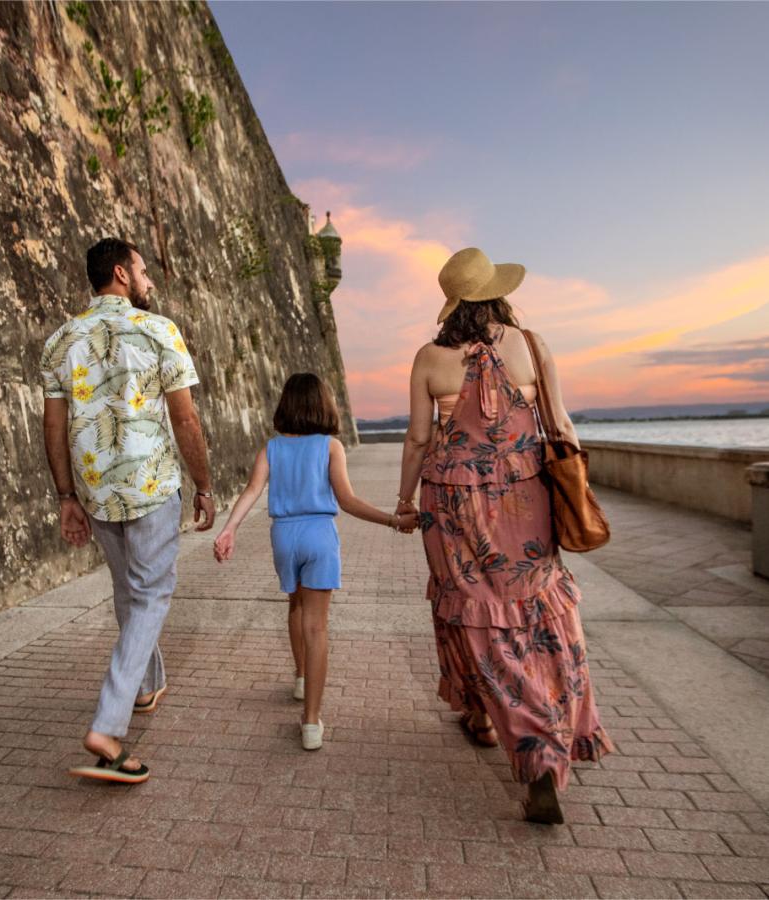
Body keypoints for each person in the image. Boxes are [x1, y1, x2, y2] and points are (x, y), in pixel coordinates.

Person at [396, 248, 612, 824]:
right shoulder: (531, 344)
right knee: (540, 608)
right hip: (526, 498)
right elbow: (561, 425)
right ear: (496, 293)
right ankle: (537, 728)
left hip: (452, 504)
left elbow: (418, 440)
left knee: (474, 614)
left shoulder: (429, 357)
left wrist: (402, 500)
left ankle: (509, 727)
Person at [40, 238, 215, 784]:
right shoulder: (158, 330)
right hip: (151, 485)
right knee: (153, 594)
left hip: (96, 492)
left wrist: (67, 497)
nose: (150, 282)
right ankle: (107, 727)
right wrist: (205, 484)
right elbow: (185, 421)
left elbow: (53, 427)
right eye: (143, 271)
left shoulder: (60, 341)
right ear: (121, 273)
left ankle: (145, 685)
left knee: (129, 592)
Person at [213, 373, 417, 750]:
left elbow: (252, 490)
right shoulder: (330, 447)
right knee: (317, 627)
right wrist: (392, 520)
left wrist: (229, 530)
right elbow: (348, 501)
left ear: (286, 405)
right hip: (319, 535)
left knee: (294, 604)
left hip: (283, 536)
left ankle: (301, 676)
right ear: (323, 404)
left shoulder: (271, 448)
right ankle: (310, 722)